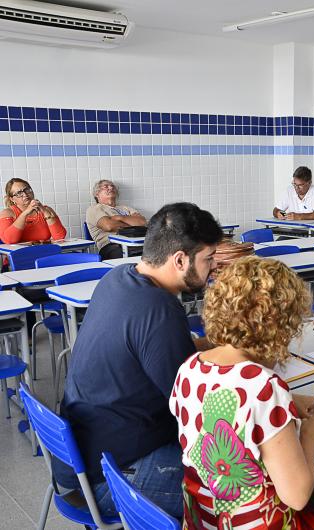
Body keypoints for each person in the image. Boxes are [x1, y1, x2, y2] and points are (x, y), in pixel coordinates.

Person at [170, 257, 314, 529]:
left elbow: (225, 412)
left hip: (203, 518)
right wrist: (310, 437)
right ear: (278, 329)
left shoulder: (190, 367)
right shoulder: (263, 386)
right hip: (259, 523)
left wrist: (288, 402)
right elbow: (297, 497)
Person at [53, 202, 224, 519]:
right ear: (180, 260)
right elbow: (194, 406)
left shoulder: (118, 277)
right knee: (241, 486)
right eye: (209, 258)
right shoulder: (160, 309)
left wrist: (216, 345)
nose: (213, 267)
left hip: (79, 461)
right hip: (108, 478)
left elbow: (155, 350)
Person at [86, 179, 148, 260]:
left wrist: (119, 218)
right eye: (106, 186)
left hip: (137, 243)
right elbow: (109, 226)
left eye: (112, 186)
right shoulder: (95, 209)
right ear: (97, 194)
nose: (111, 188)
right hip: (112, 246)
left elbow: (142, 222)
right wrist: (133, 225)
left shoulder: (126, 208)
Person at [0, 177, 66, 243]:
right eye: (19, 193)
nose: (25, 195)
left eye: (26, 190)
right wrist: (25, 213)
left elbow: (60, 237)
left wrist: (44, 211)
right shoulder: (7, 213)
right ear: (12, 199)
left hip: (44, 249)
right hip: (21, 250)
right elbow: (9, 240)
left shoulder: (47, 210)